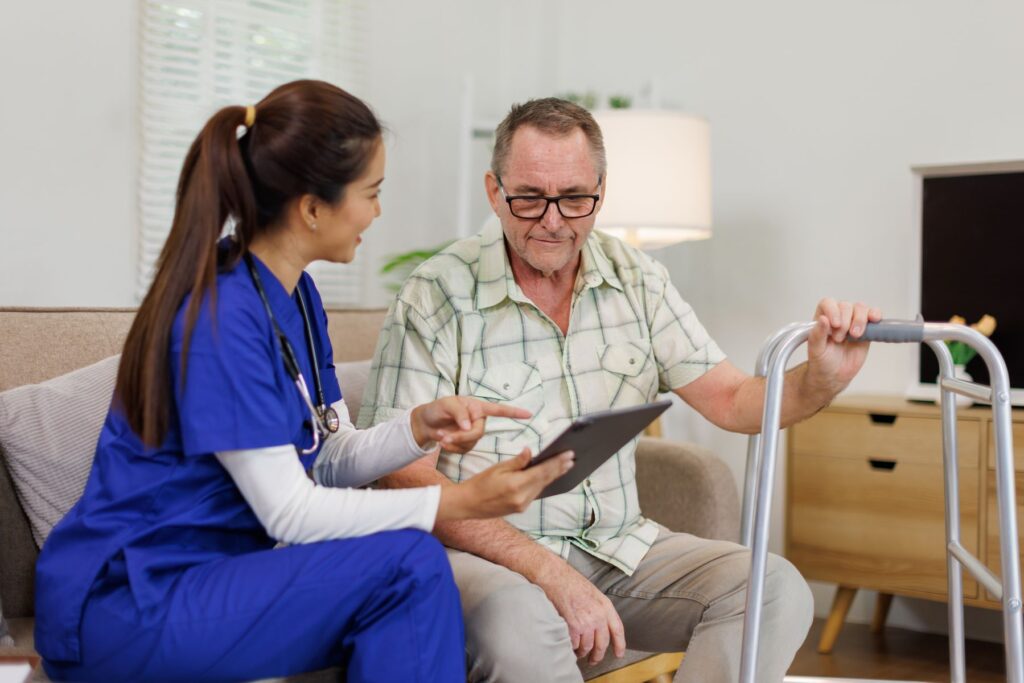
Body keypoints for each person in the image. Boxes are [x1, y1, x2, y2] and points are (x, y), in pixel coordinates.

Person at [33, 81, 573, 683]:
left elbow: (327, 453)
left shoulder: (295, 295)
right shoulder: (220, 316)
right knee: (408, 564)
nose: (376, 212)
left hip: (207, 579)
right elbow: (289, 511)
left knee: (407, 574)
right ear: (313, 208)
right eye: (371, 193)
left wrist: (417, 431)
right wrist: (460, 502)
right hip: (131, 602)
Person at [358, 97, 883, 682]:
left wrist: (821, 377)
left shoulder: (637, 279)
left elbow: (735, 401)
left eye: (575, 198)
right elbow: (403, 475)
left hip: (616, 548)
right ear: (493, 190)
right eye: (529, 197)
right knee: (523, 626)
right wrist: (550, 574)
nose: (553, 220)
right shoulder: (436, 294)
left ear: (601, 192)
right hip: (484, 555)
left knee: (774, 588)